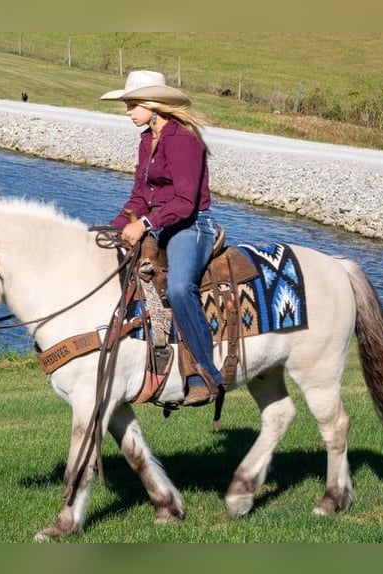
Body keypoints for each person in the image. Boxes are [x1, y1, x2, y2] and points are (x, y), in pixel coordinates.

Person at [100, 70, 223, 407]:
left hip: (189, 227)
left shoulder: (183, 139)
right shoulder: (146, 140)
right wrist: (114, 228)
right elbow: (139, 196)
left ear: (154, 105)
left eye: (132, 104)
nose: (127, 110)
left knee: (181, 288)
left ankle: (205, 373)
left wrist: (145, 224)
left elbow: (184, 202)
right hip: (157, 225)